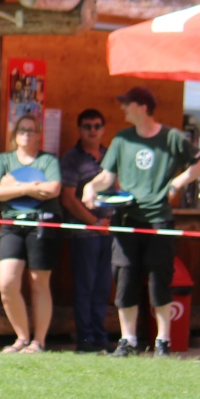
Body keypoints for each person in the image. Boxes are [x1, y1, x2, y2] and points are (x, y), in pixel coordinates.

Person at [81, 86, 200, 357]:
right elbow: (107, 176)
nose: (122, 108)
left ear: (141, 107)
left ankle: (163, 341)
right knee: (124, 278)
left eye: (127, 104)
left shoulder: (171, 137)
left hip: (159, 219)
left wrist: (178, 182)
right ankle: (127, 340)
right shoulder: (122, 139)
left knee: (159, 279)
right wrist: (90, 187)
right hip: (126, 218)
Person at [0, 114, 62, 353]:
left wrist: (14, 186)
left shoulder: (48, 160)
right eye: (22, 130)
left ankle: (38, 341)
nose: (26, 134)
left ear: (39, 135)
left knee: (39, 282)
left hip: (41, 224)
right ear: (15, 134)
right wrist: (31, 189)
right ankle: (21, 337)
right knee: (7, 282)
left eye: (31, 130)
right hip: (12, 224)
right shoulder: (3, 160)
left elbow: (53, 188)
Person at [59, 108, 113, 353]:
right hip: (84, 232)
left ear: (103, 129)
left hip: (109, 230)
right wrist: (94, 222)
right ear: (80, 130)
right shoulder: (72, 158)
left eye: (97, 126)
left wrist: (108, 222)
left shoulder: (109, 155)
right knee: (85, 287)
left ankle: (100, 336)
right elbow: (68, 199)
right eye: (87, 126)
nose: (92, 131)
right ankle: (86, 339)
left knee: (103, 288)